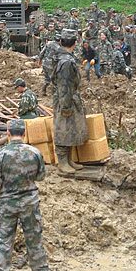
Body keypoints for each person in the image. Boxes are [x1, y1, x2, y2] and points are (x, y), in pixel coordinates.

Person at [0, 119, 52, 271]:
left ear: (8, 134)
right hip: (30, 201)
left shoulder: (1, 154)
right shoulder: (35, 152)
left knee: (4, 240)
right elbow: (40, 177)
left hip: (7, 202)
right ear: (24, 134)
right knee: (34, 237)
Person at [53, 28, 88, 175]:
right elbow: (64, 86)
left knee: (71, 128)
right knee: (63, 128)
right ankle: (62, 161)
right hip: (65, 98)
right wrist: (66, 106)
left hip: (68, 97)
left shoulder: (64, 58)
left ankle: (68, 159)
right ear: (75, 43)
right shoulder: (66, 62)